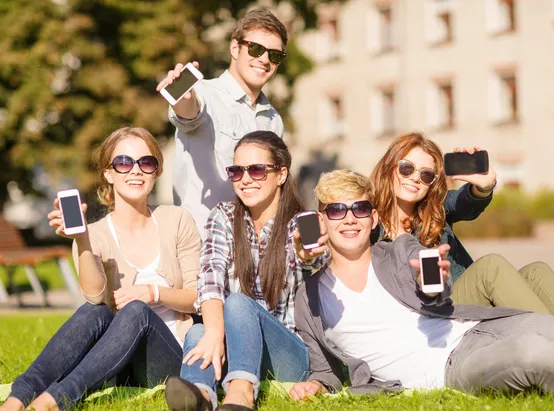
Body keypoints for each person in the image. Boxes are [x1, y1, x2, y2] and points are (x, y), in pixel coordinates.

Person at [289, 169, 554, 401]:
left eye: (359, 209)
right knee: (535, 352)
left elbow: (434, 286)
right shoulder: (309, 298)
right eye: (336, 210)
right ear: (322, 220)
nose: (349, 219)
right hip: (451, 365)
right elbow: (326, 371)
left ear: (373, 218)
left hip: (481, 326)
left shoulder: (398, 250)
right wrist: (315, 386)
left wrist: (432, 280)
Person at [0, 127, 201, 411]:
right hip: (116, 361)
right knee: (96, 311)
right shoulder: (93, 234)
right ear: (108, 172)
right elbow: (95, 298)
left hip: (169, 359)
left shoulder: (177, 219)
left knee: (136, 310)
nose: (135, 171)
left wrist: (152, 292)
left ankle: (57, 399)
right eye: (123, 162)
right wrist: (82, 240)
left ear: (156, 171)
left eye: (146, 163)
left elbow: (197, 297)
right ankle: (19, 397)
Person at [164, 131, 327, 411]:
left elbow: (312, 263)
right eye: (237, 171)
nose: (246, 178)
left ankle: (241, 395)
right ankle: (200, 398)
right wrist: (214, 334)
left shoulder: (301, 224)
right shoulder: (223, 216)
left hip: (288, 353)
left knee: (238, 303)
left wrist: (307, 256)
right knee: (199, 332)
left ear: (282, 174)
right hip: (235, 346)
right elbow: (210, 279)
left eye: (257, 170)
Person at [370, 132, 554, 324]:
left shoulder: (435, 211)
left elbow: (463, 203)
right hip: (432, 316)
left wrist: (483, 188)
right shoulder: (368, 222)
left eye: (426, 174)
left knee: (537, 272)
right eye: (406, 168)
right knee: (490, 267)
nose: (415, 178)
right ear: (389, 167)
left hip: (464, 299)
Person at [156, 8, 288, 237]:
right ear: (235, 48)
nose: (264, 59)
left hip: (252, 248)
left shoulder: (274, 120)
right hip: (200, 244)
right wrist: (182, 98)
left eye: (274, 55)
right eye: (256, 49)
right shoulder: (204, 93)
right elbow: (189, 112)